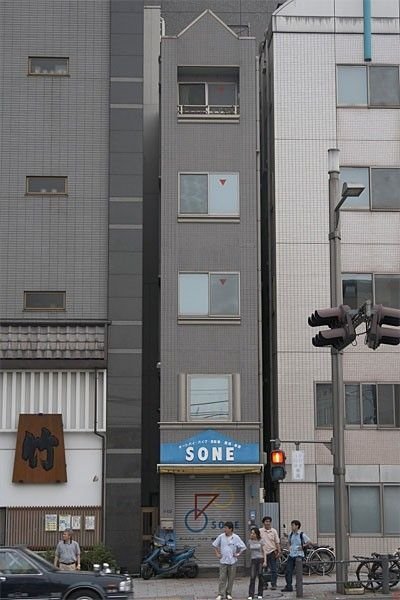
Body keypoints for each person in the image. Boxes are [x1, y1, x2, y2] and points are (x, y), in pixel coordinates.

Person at [212, 521, 246, 600]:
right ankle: (220, 594)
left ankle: (228, 593)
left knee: (231, 578)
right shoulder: (221, 536)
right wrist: (217, 553)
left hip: (232, 561)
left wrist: (238, 554)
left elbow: (243, 547)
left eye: (226, 528)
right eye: (224, 528)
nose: (224, 529)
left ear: (230, 529)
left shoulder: (236, 537)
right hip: (223, 561)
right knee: (222, 578)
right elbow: (214, 545)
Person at [282, 520, 311, 592]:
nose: (292, 527)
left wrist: (303, 546)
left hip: (299, 555)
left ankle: (298, 585)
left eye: (293, 525)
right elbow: (289, 542)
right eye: (291, 525)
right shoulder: (291, 534)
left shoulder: (301, 534)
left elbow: (309, 541)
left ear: (297, 526)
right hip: (291, 555)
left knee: (298, 571)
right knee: (288, 571)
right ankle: (289, 586)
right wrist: (289, 548)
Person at [259, 516, 281, 590]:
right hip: (263, 553)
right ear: (263, 523)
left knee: (273, 569)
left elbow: (277, 542)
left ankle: (273, 583)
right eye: (266, 521)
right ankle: (265, 584)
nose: (267, 523)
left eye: (269, 521)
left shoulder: (274, 531)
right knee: (264, 570)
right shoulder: (260, 531)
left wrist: (279, 551)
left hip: (272, 552)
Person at [247, 527, 267, 600]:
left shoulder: (261, 541)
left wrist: (265, 561)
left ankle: (260, 593)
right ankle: (251, 594)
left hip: (260, 559)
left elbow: (264, 551)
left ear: (257, 534)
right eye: (251, 533)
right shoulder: (249, 541)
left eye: (253, 533)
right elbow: (248, 550)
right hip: (253, 560)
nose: (252, 534)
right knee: (252, 577)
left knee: (260, 575)